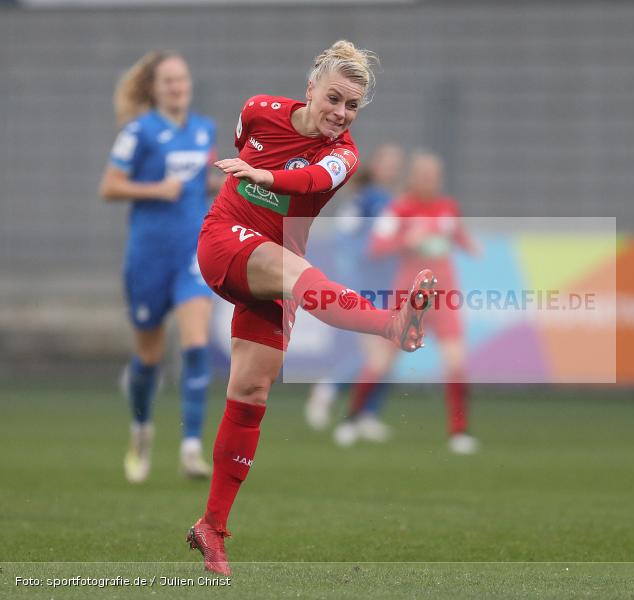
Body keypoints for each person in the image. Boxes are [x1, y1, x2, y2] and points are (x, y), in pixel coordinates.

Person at [185, 41, 436, 576]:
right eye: (334, 99)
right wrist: (250, 179)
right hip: (226, 240)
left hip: (276, 262)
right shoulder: (258, 109)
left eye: (352, 107)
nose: (341, 114)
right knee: (301, 278)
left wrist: (264, 177)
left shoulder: (344, 154)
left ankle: (212, 527)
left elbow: (309, 181)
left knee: (251, 391)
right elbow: (245, 143)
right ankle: (393, 325)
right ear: (311, 89)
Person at [99, 51, 220, 484]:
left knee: (195, 343)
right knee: (148, 359)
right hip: (148, 258)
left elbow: (199, 181)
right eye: (168, 80)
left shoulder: (205, 130)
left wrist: (232, 179)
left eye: (182, 79)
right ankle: (141, 430)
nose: (177, 87)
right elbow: (109, 186)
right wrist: (155, 189)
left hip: (191, 254)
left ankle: (191, 448)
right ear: (153, 88)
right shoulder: (138, 132)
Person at [337, 152, 480, 455]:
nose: (430, 181)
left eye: (434, 176)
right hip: (409, 298)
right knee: (382, 361)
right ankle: (351, 420)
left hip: (444, 297)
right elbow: (376, 247)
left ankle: (459, 432)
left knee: (455, 362)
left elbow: (461, 238)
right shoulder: (399, 210)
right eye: (424, 176)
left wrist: (469, 245)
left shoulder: (447, 208)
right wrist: (408, 241)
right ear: (413, 178)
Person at [304, 144, 405, 442]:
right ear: (375, 166)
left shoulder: (373, 198)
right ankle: (331, 389)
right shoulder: (375, 200)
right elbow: (362, 243)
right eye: (388, 162)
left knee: (389, 354)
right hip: (368, 284)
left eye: (396, 163)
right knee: (378, 356)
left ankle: (366, 414)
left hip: (383, 283)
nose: (393, 168)